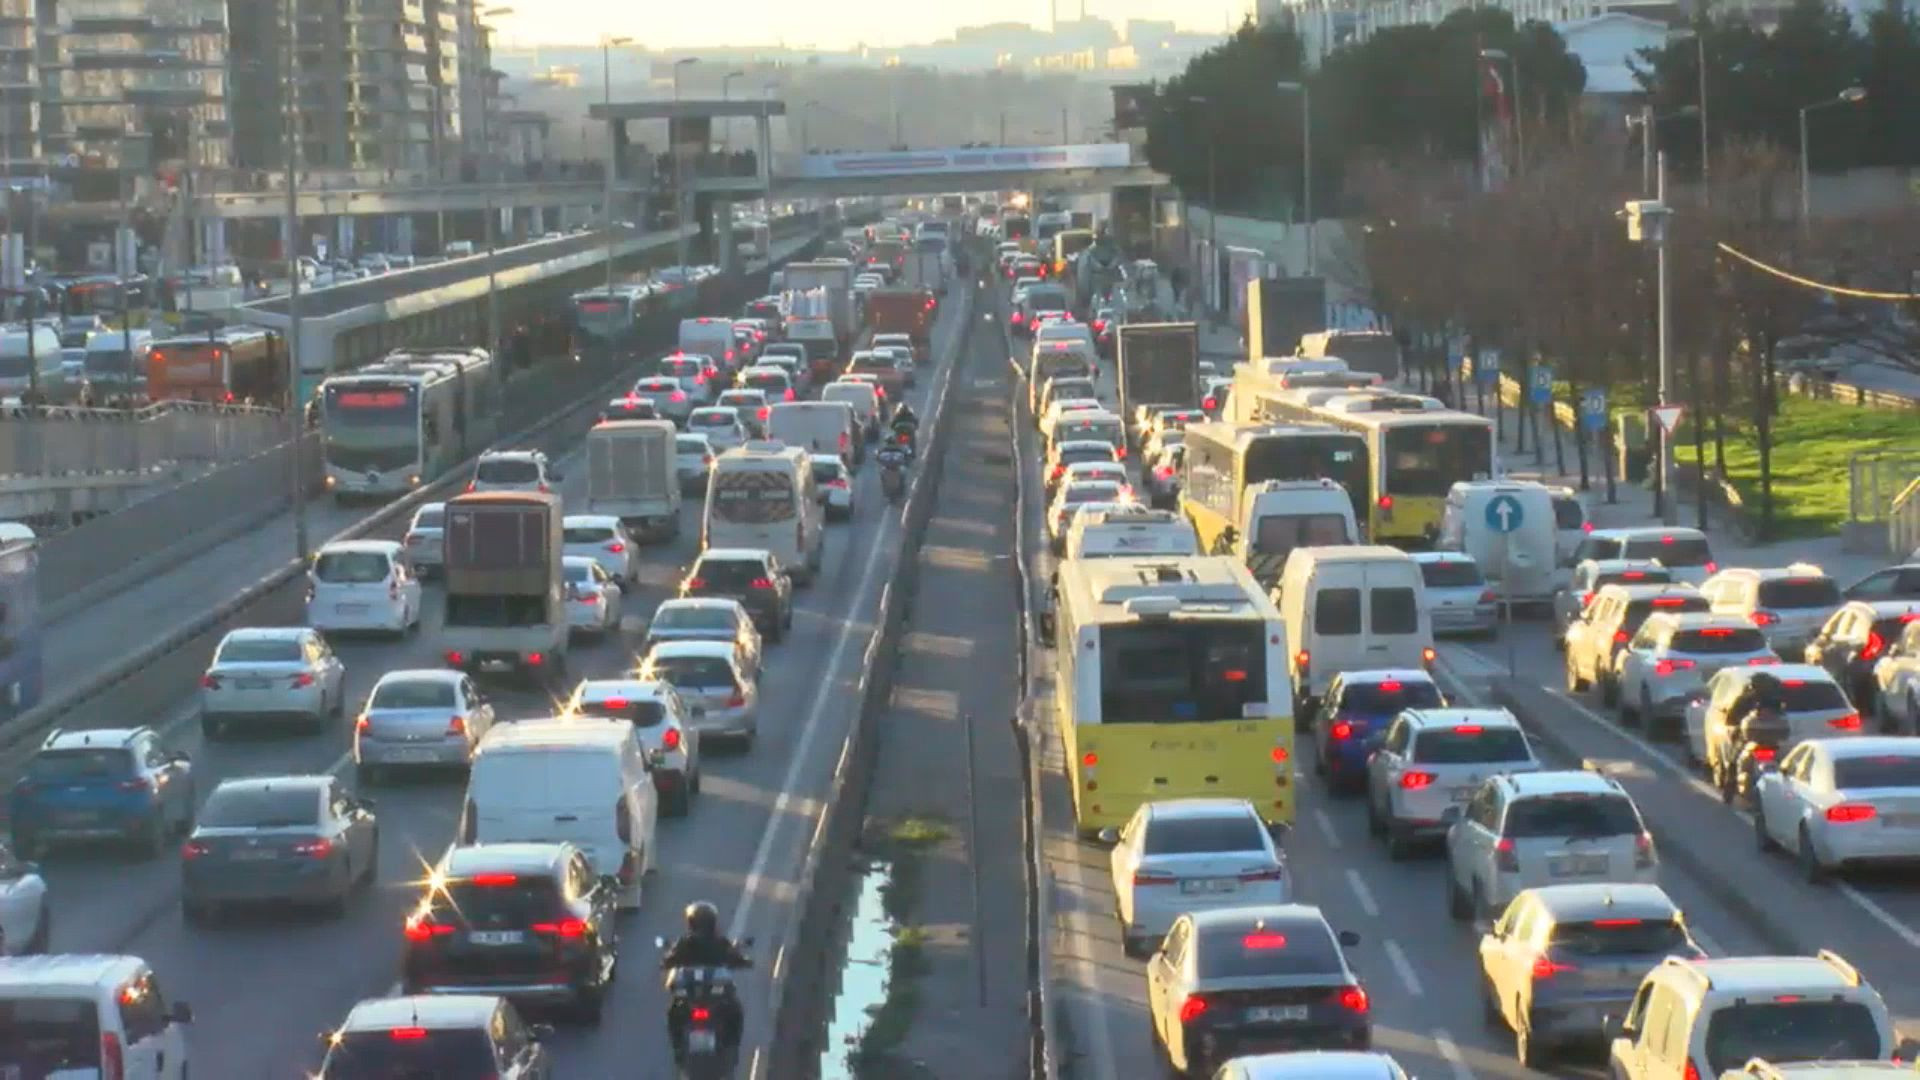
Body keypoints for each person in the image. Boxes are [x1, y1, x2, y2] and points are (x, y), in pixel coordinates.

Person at [662, 901, 751, 1059]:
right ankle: (731, 1047)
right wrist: (744, 961)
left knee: (674, 1011)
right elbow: (735, 958)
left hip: (703, 998)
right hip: (698, 998)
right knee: (735, 1010)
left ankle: (678, 1046)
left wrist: (666, 962)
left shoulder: (685, 943)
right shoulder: (718, 942)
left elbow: (670, 959)